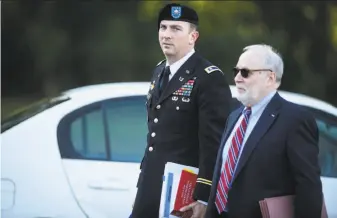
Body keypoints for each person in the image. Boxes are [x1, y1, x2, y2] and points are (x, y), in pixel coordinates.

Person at [131, 3, 232, 218]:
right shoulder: (159, 71)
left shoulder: (208, 77)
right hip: (151, 186)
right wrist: (144, 187)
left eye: (176, 29)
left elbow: (213, 143)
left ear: (193, 36)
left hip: (183, 190)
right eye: (163, 28)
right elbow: (155, 136)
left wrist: (204, 196)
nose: (167, 35)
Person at [205, 44, 323, 218]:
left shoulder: (295, 119)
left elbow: (308, 187)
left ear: (270, 78)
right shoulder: (234, 117)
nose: (237, 78)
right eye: (235, 71)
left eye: (245, 72)